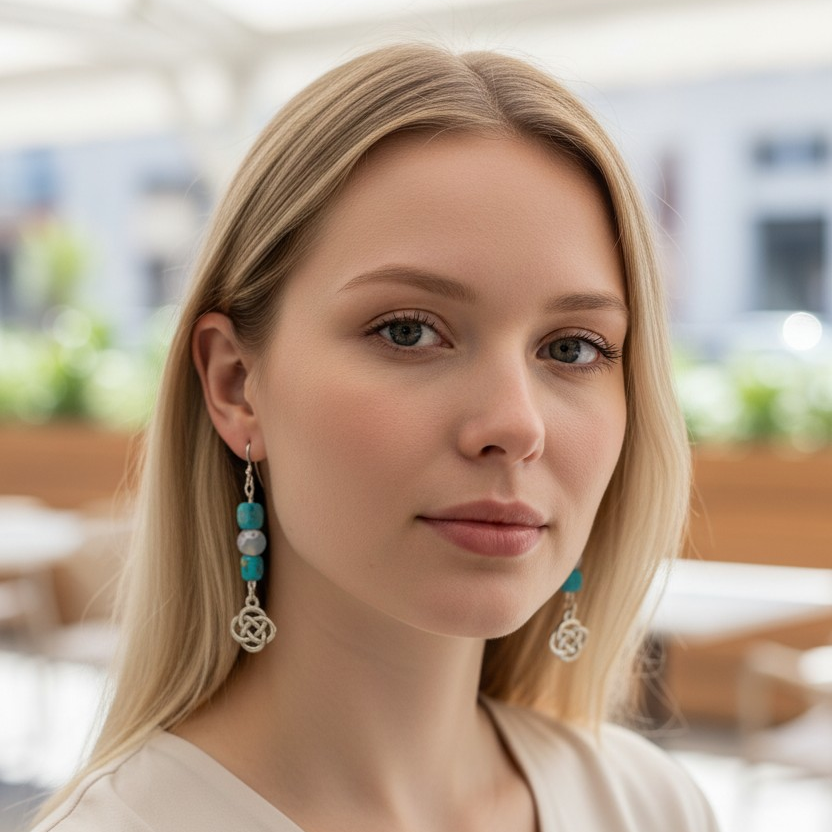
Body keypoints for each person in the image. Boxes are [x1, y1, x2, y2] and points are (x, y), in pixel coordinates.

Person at [31, 42, 719, 832]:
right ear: (234, 385)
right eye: (407, 331)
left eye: (572, 348)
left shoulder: (652, 807)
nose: (516, 426)